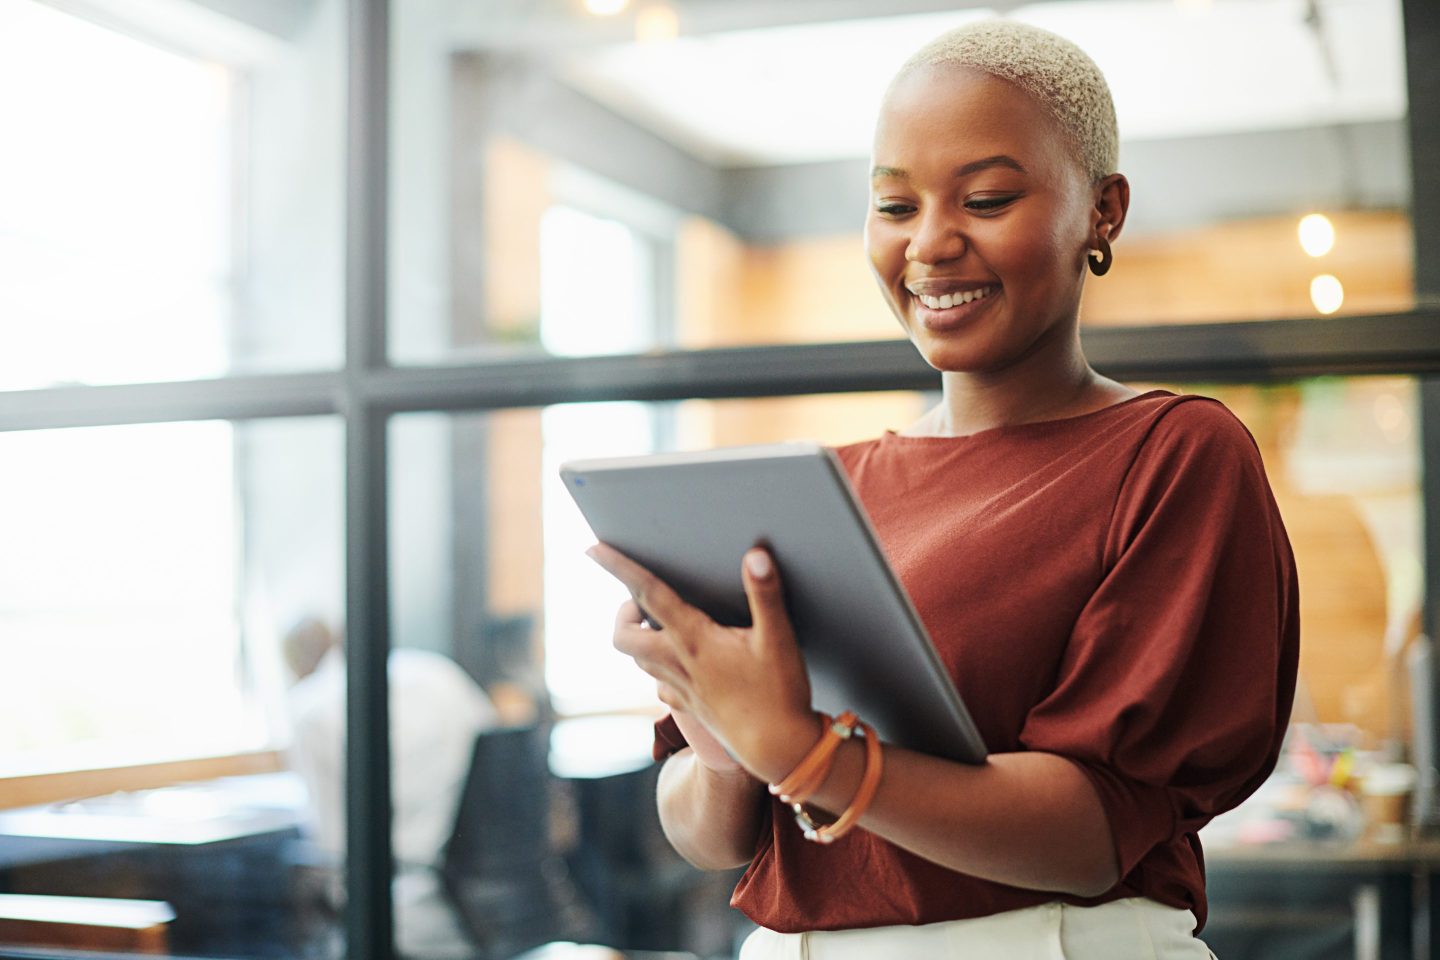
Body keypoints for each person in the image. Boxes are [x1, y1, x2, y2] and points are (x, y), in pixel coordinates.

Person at [586, 19, 1299, 960]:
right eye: (893, 206)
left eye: (988, 198)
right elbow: (709, 834)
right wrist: (720, 729)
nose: (930, 244)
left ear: (1103, 211)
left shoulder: (1172, 455)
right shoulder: (822, 490)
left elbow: (1092, 837)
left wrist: (804, 753)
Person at [283, 617, 499, 958]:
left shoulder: (311, 707)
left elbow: (333, 841)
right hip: (489, 903)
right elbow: (501, 767)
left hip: (396, 912)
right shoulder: (440, 674)